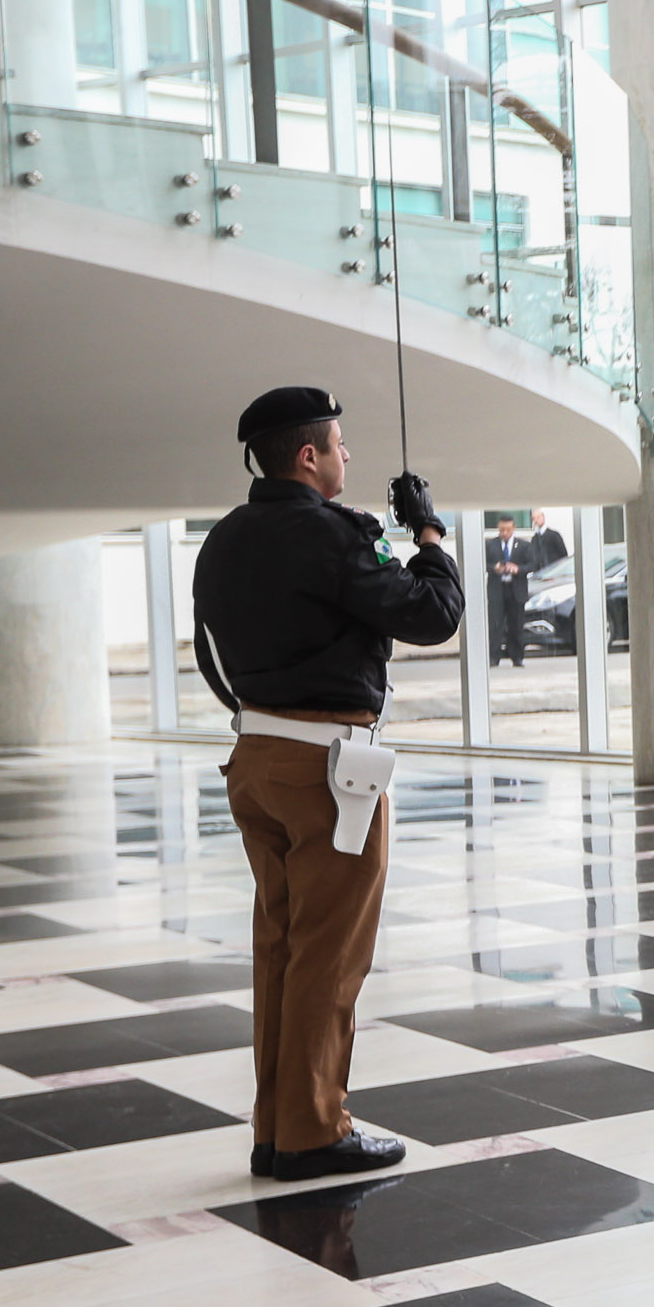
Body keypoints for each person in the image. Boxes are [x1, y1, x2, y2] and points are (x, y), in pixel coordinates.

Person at [193, 386, 460, 1181]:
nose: (348, 457)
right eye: (340, 445)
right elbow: (433, 613)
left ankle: (276, 1125)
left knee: (279, 947)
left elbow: (211, 654)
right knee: (328, 955)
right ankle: (312, 1132)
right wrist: (427, 531)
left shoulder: (223, 540)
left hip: (256, 759)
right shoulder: (332, 536)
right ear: (307, 456)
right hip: (327, 771)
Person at [484, 516, 537, 666]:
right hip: (497, 590)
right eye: (501, 530)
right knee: (495, 625)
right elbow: (483, 563)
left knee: (516, 625)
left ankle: (517, 657)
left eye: (507, 529)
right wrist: (494, 568)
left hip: (516, 590)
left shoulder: (523, 545)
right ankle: (494, 657)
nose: (504, 533)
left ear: (513, 528)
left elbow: (532, 564)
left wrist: (518, 569)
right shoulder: (490, 545)